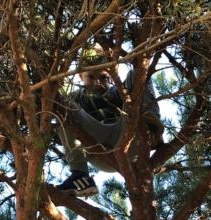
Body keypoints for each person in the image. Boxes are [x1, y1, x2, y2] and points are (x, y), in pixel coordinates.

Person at [57, 54, 164, 196]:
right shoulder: (76, 96)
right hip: (96, 144)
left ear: (112, 75)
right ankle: (80, 175)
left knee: (138, 73)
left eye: (103, 77)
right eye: (90, 77)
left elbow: (137, 78)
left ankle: (151, 127)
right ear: (80, 77)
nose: (97, 83)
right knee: (63, 107)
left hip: (127, 136)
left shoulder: (118, 91)